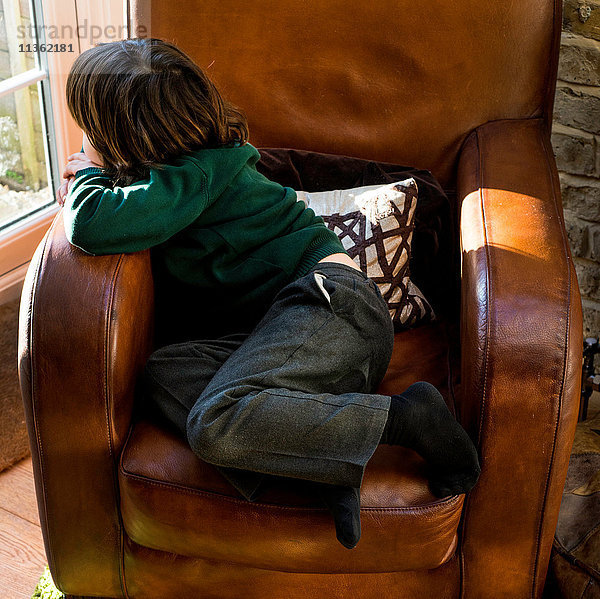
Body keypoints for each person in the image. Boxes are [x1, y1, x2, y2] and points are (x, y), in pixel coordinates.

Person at [58, 37, 480, 550]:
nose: (85, 140)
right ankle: (321, 468)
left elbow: (90, 224)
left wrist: (89, 173)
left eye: (90, 130)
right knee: (164, 376)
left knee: (214, 423)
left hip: (331, 307)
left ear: (121, 137)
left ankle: (409, 417)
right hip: (284, 337)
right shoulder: (169, 181)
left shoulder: (200, 173)